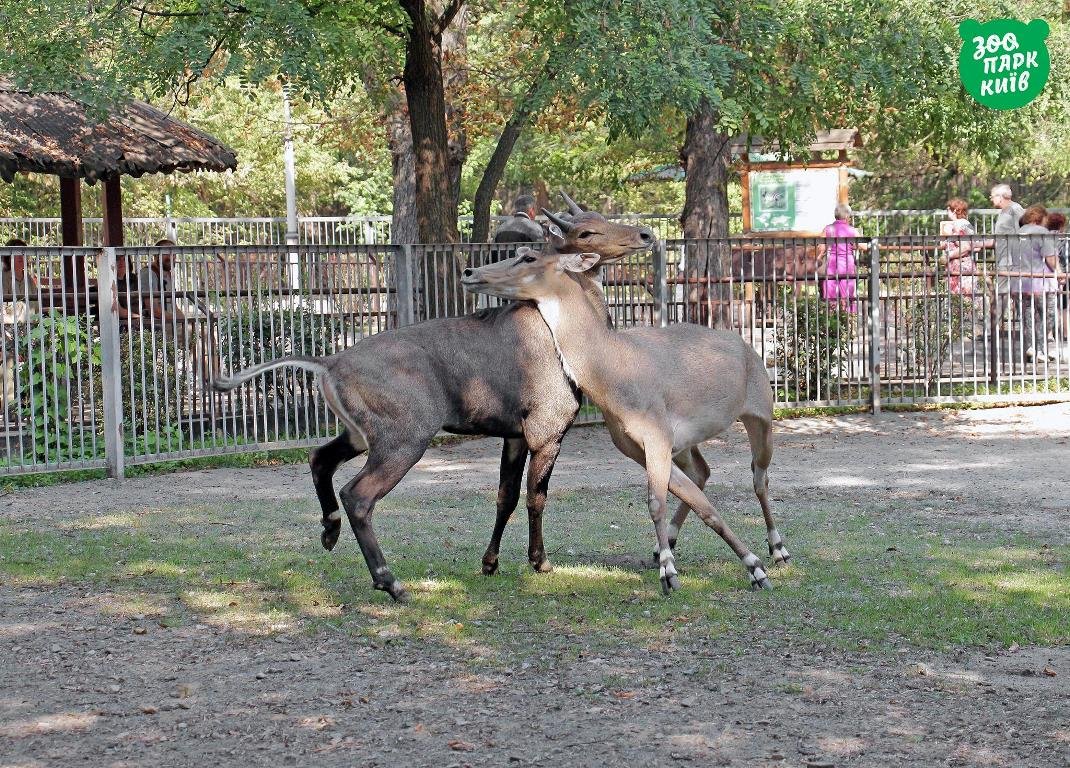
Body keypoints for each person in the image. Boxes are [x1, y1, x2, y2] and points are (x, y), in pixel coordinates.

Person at [1, 239, 40, 415]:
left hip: (29, 330)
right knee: (9, 370)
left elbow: (36, 307)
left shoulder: (29, 279)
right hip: (7, 331)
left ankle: (31, 409)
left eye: (23, 253)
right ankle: (9, 411)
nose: (20, 257)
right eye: (16, 253)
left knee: (34, 366)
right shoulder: (2, 277)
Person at [1016, 205, 1058, 362]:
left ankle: (1031, 347)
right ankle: (1041, 349)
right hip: (1042, 281)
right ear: (1038, 218)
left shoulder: (1017, 234)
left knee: (1028, 315)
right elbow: (1051, 260)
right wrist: (1057, 269)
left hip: (1021, 281)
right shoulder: (1042, 234)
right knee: (1046, 316)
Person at [988, 183, 1025, 326]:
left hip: (1012, 260)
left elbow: (1023, 233)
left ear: (1000, 196)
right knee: (1006, 294)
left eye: (992, 196)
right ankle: (991, 328)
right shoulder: (1004, 212)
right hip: (1005, 259)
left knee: (1007, 294)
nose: (991, 199)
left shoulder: (1015, 210)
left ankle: (990, 328)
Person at [816, 203, 860, 312]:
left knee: (831, 297)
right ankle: (850, 322)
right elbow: (862, 245)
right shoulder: (852, 230)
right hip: (847, 265)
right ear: (847, 216)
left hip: (832, 264)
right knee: (848, 296)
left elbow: (821, 247)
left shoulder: (828, 229)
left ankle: (830, 322)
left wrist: (820, 256)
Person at [940, 198, 979, 296]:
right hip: (968, 264)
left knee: (961, 299)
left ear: (953, 210)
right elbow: (976, 245)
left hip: (960, 267)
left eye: (948, 210)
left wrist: (949, 255)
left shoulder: (956, 225)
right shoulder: (967, 224)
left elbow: (965, 246)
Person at [1044, 211, 1068, 355]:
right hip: (1062, 272)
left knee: (1049, 304)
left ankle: (1049, 333)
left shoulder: (1044, 237)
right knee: (1063, 305)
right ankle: (1065, 333)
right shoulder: (1064, 238)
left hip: (1047, 274)